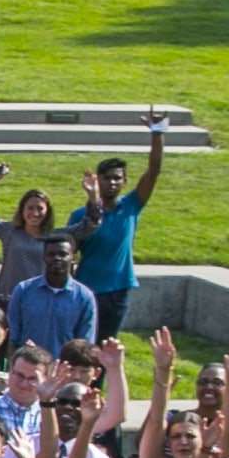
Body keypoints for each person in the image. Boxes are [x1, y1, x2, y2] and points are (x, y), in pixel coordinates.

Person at [70, 112, 169, 339]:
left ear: (125, 181)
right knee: (83, 346)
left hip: (118, 290)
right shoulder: (80, 214)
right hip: (87, 288)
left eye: (117, 178)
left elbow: (153, 172)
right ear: (98, 180)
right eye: (107, 178)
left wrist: (157, 134)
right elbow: (70, 252)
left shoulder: (132, 206)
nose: (112, 182)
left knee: (106, 349)